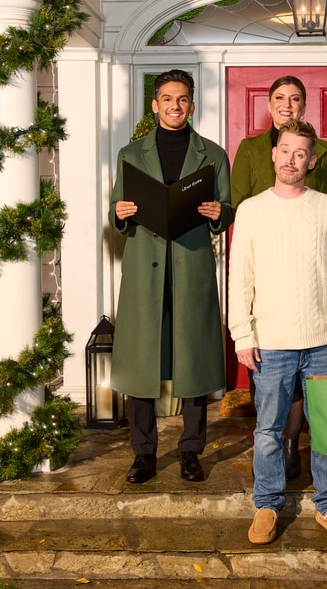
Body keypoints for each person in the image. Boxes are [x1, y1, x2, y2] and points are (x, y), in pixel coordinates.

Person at [228, 118, 327, 545]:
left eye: (300, 153)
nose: (291, 159)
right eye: (285, 150)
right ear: (273, 153)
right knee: (268, 429)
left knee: (325, 429)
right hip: (270, 343)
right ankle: (267, 504)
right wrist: (242, 335)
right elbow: (240, 278)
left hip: (324, 339)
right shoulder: (251, 210)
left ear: (311, 160)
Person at [108, 69, 233, 485]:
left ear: (191, 105)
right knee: (142, 362)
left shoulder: (213, 155)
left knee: (192, 360)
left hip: (192, 267)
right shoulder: (130, 154)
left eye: (182, 99)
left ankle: (191, 450)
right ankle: (143, 454)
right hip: (145, 271)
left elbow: (227, 208)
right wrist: (120, 214)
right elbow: (116, 211)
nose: (174, 106)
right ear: (155, 104)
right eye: (167, 98)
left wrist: (220, 214)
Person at [230, 75, 327, 482]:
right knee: (275, 391)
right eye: (280, 98)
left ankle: (297, 443)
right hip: (269, 280)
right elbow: (240, 203)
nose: (287, 104)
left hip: (311, 291)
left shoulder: (322, 153)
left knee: (316, 395)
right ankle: (274, 470)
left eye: (295, 99)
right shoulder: (251, 150)